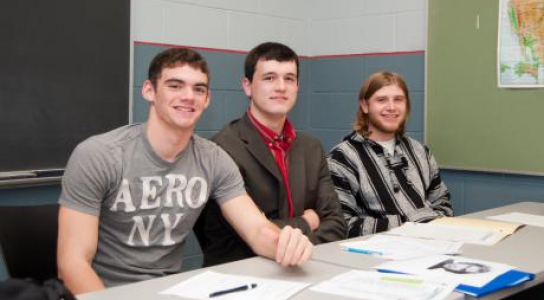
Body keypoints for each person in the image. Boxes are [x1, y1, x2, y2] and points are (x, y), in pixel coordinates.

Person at [57, 48, 313, 295]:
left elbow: (256, 231)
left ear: (207, 99)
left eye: (198, 88)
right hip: (105, 292)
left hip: (170, 290)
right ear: (149, 90)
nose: (188, 96)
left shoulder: (213, 159)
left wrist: (285, 243)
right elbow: (73, 263)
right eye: (175, 85)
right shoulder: (99, 155)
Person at [194, 42, 346, 266]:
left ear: (297, 86)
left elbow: (336, 223)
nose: (281, 87)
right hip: (243, 276)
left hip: (305, 267)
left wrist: (295, 245)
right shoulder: (222, 149)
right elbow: (240, 240)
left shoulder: (311, 147)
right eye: (269, 78)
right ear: (247, 86)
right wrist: (307, 221)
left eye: (289, 78)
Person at [327, 71, 453, 237]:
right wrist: (409, 224)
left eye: (398, 99)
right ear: (365, 105)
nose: (392, 107)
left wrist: (431, 226)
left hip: (432, 244)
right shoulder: (342, 159)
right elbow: (343, 223)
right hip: (376, 256)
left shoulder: (420, 151)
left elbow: (443, 203)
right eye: (381, 100)